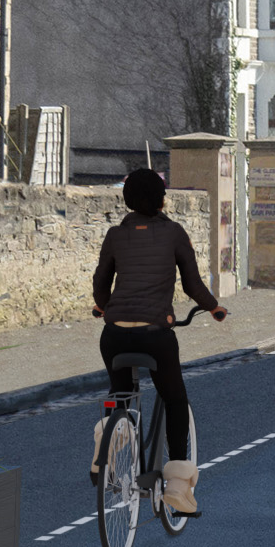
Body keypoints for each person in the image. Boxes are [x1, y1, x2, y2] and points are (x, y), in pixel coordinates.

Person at [93, 167, 228, 516]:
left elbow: (100, 283)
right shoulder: (174, 233)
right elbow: (192, 286)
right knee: (174, 398)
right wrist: (214, 308)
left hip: (115, 334)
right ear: (160, 199)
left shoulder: (114, 235)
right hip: (155, 335)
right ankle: (179, 489)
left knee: (119, 395)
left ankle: (104, 445)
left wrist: (103, 307)